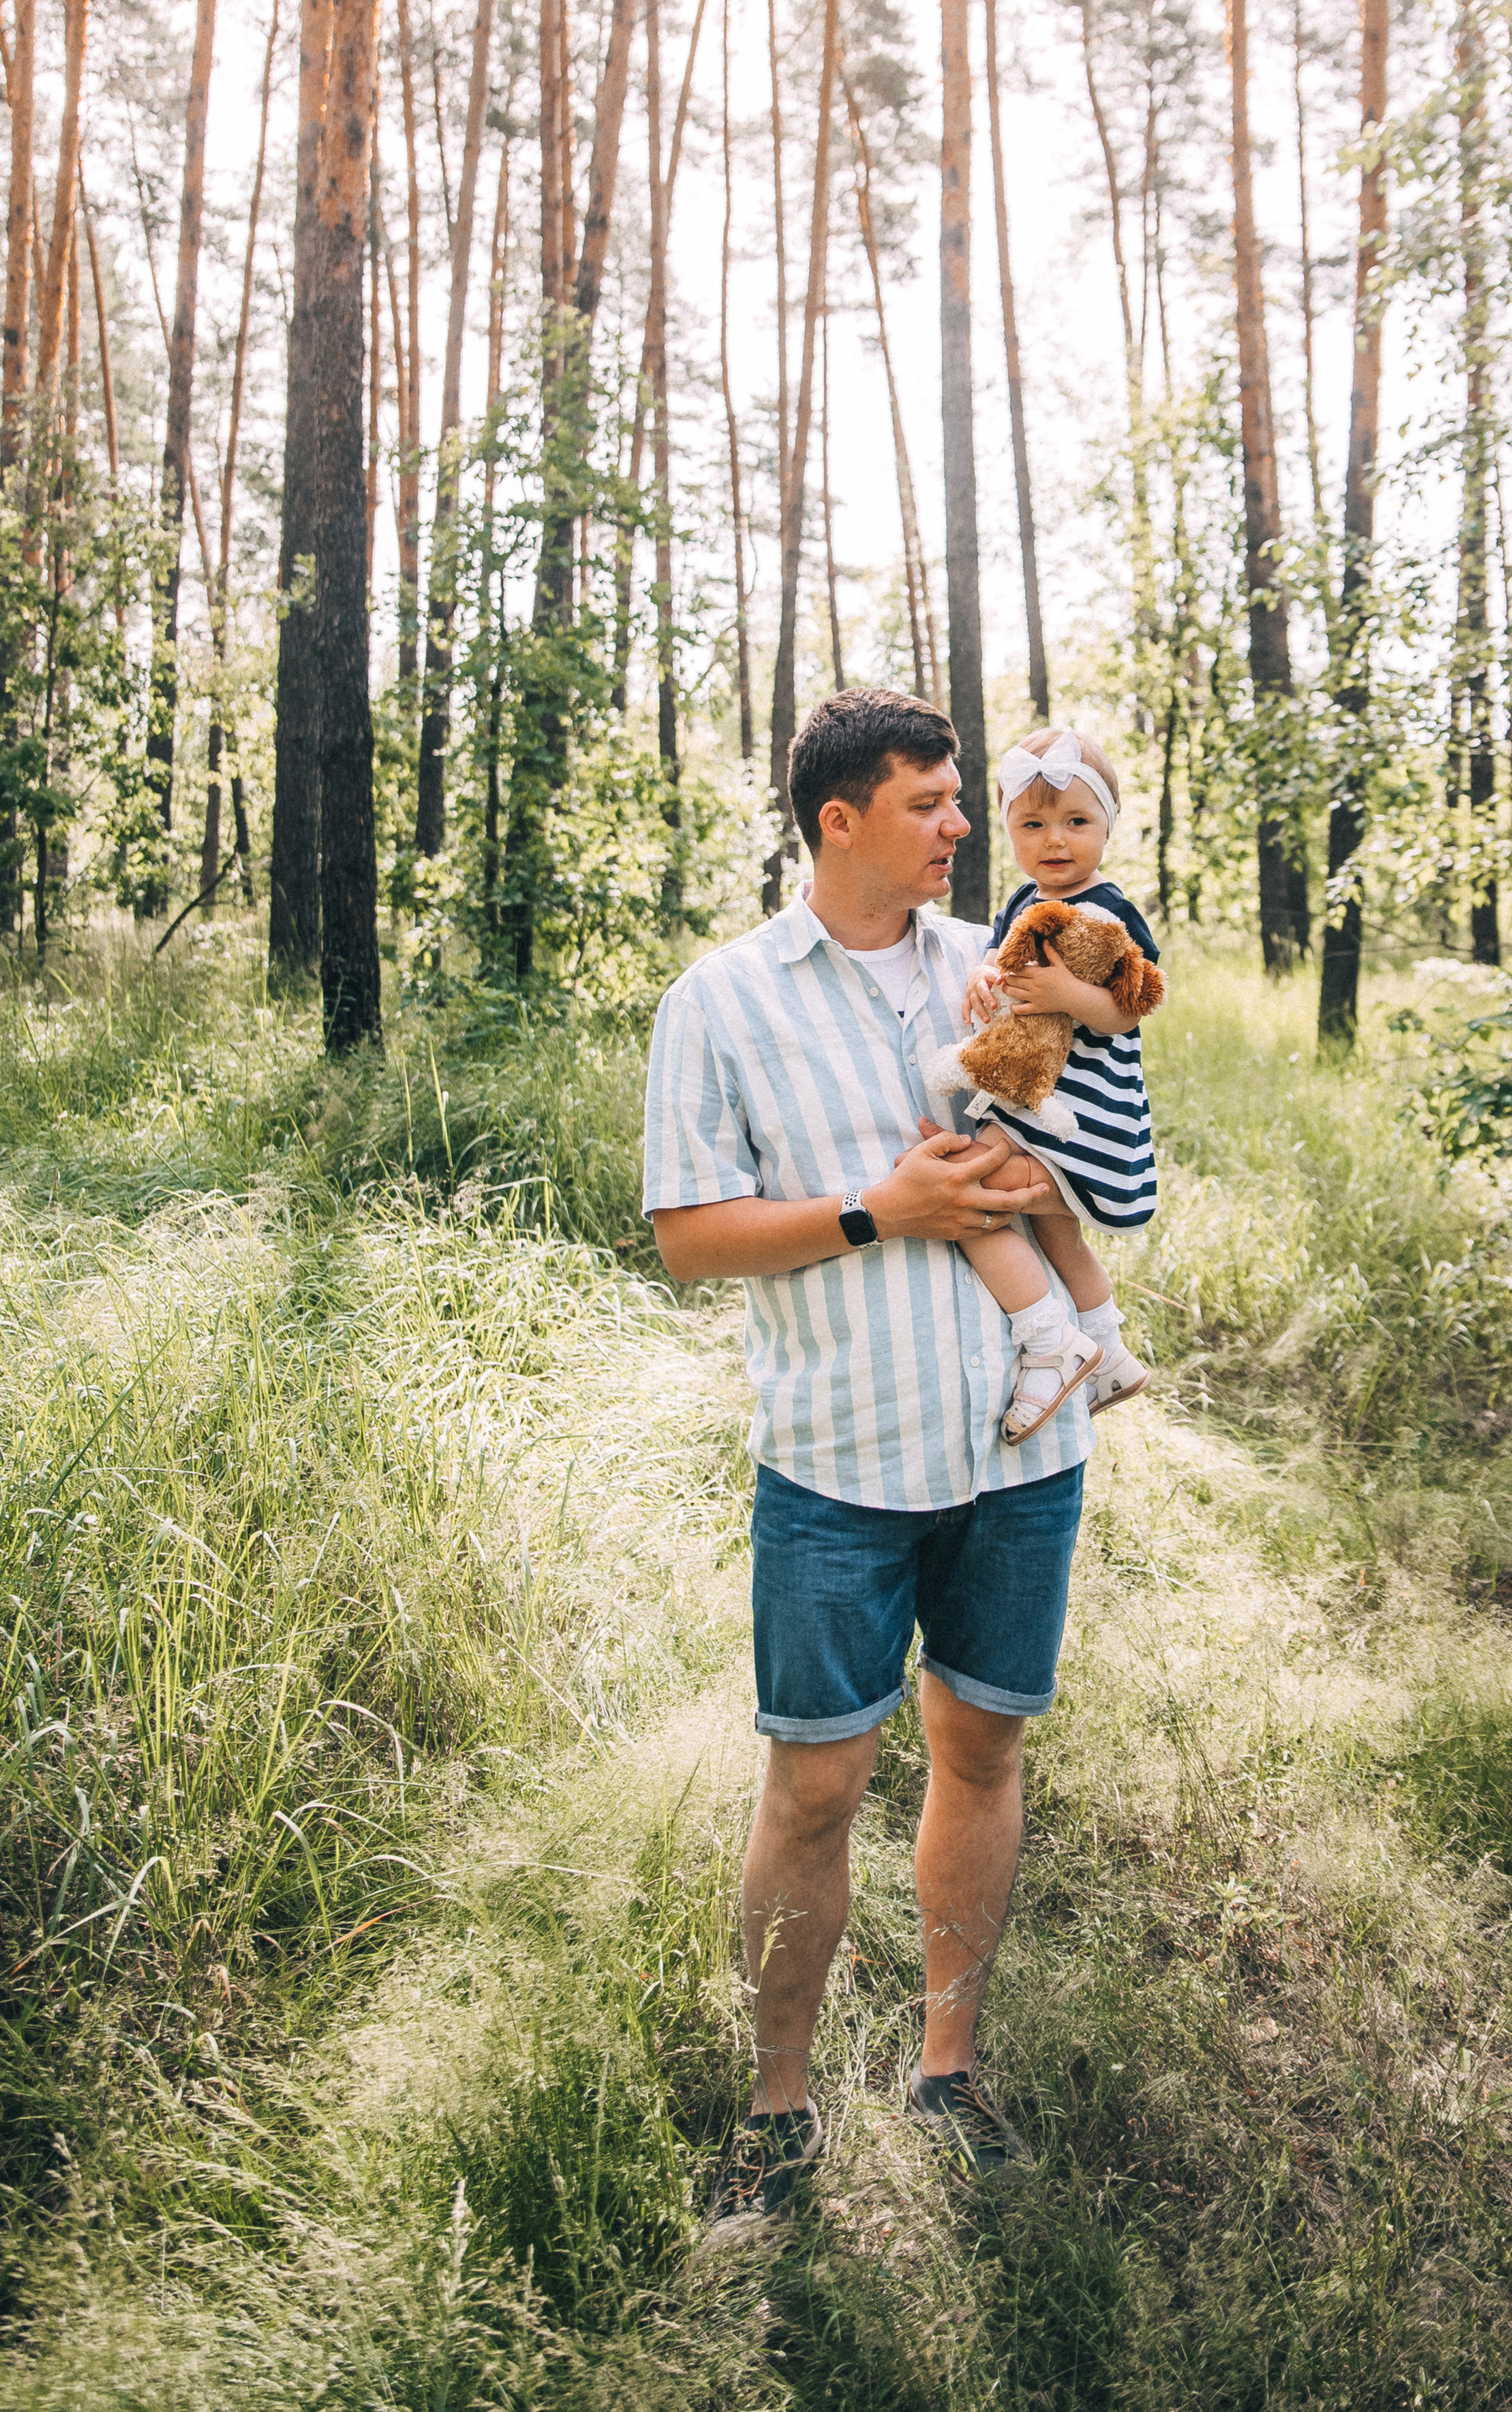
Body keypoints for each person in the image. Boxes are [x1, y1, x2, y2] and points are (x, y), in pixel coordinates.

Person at [643, 686, 1092, 2245]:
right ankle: (777, 2114)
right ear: (840, 820)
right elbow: (689, 1236)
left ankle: (947, 2071)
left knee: (984, 1752)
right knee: (818, 1783)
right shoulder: (721, 1000)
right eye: (929, 800)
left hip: (1022, 1454)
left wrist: (1059, 1204)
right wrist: (875, 1211)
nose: (964, 824)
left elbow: (1101, 1137)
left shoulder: (1007, 965)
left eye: (962, 796)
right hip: (841, 1460)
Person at [947, 727, 1158, 1440]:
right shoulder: (1020, 900)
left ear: (1107, 827)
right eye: (1032, 824)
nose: (1055, 840)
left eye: (1076, 821)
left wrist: (1070, 994)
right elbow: (997, 957)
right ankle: (1108, 1350)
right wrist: (982, 974)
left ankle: (1048, 1341)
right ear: (1009, 830)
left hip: (1083, 1104)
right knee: (1057, 1230)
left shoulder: (1110, 908)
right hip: (1034, 1094)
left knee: (970, 1196)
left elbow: (1129, 1010)